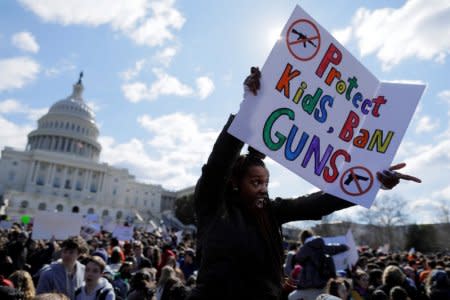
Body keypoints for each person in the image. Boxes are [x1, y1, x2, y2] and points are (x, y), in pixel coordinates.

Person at [187, 67, 421, 300]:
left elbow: (319, 203)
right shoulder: (212, 206)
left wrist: (371, 181)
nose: (263, 189)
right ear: (234, 183)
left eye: (266, 183)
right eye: (256, 182)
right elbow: (219, 162)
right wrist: (248, 105)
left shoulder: (271, 212)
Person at [289, 229, 349, 300]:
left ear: (302, 239)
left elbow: (298, 259)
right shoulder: (320, 246)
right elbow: (333, 248)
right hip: (321, 285)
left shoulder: (303, 249)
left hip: (304, 285)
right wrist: (345, 247)